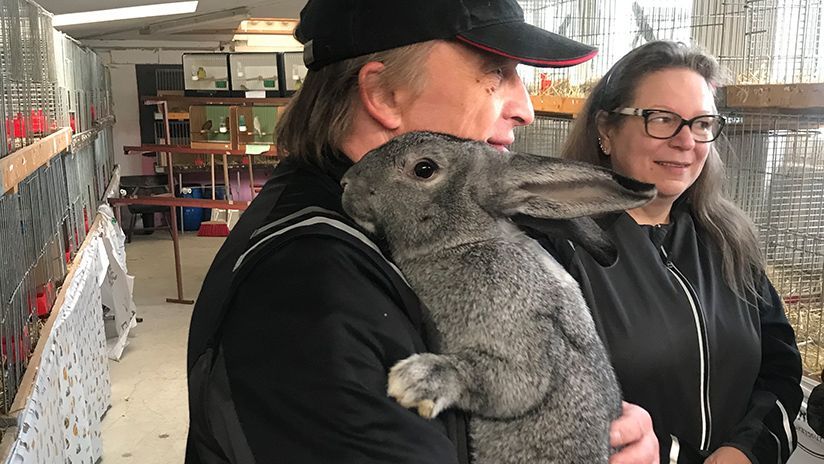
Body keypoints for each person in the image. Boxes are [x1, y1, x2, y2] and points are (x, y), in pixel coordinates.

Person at [185, 1, 659, 463]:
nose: (524, 109)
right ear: (386, 93)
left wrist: (598, 427)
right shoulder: (306, 290)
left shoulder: (431, 220)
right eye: (497, 72)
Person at [537, 40, 803, 464]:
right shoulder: (556, 247)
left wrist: (748, 450)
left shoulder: (727, 239)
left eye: (701, 123)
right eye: (661, 119)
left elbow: (780, 369)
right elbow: (555, 403)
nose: (686, 141)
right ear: (606, 129)